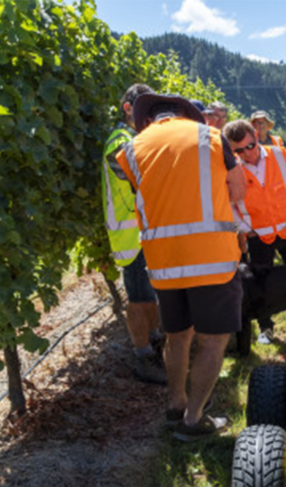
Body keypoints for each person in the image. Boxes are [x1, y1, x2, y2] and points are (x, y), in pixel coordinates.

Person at [116, 93, 247, 441]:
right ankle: (193, 421)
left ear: (148, 119)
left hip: (163, 263)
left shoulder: (132, 148)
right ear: (187, 115)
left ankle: (176, 404)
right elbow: (237, 191)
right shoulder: (211, 136)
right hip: (213, 259)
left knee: (177, 336)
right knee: (214, 340)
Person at [101, 83, 167, 385]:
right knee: (139, 300)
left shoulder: (134, 138)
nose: (148, 117)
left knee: (149, 295)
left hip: (145, 232)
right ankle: (143, 359)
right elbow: (140, 177)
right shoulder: (120, 140)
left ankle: (154, 345)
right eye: (142, 109)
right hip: (132, 236)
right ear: (127, 108)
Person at [223, 119, 286, 343]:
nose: (246, 154)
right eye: (238, 150)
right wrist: (245, 230)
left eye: (249, 146)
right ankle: (266, 327)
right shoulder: (231, 168)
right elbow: (229, 205)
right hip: (259, 235)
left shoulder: (281, 155)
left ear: (256, 136)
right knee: (260, 285)